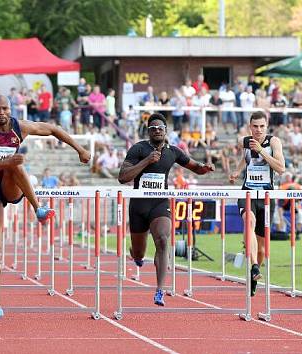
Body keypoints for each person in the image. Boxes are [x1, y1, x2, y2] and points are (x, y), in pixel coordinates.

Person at [0, 95, 90, 324]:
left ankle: (38, 208)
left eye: (5, 108)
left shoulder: (20, 127)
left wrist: (80, 149)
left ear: (10, 108)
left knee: (15, 164)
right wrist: (7, 162)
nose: (1, 112)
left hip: (10, 187)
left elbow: (53, 129)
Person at [118, 113, 214, 306]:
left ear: (166, 130)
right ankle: (136, 255)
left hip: (159, 203)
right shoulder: (138, 148)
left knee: (163, 240)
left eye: (160, 128)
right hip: (138, 205)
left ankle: (160, 290)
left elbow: (195, 166)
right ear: (148, 131)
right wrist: (146, 161)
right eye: (153, 128)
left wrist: (205, 168)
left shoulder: (173, 152)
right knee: (139, 252)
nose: (157, 131)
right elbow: (122, 177)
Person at [229, 111, 285, 296]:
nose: (258, 130)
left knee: (261, 248)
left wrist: (261, 150)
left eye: (262, 126)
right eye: (255, 126)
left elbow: (281, 168)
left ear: (266, 126)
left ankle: (255, 273)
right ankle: (253, 266)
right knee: (249, 222)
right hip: (248, 193)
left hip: (267, 197)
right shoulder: (246, 141)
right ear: (250, 127)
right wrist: (236, 172)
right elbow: (245, 160)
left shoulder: (273, 142)